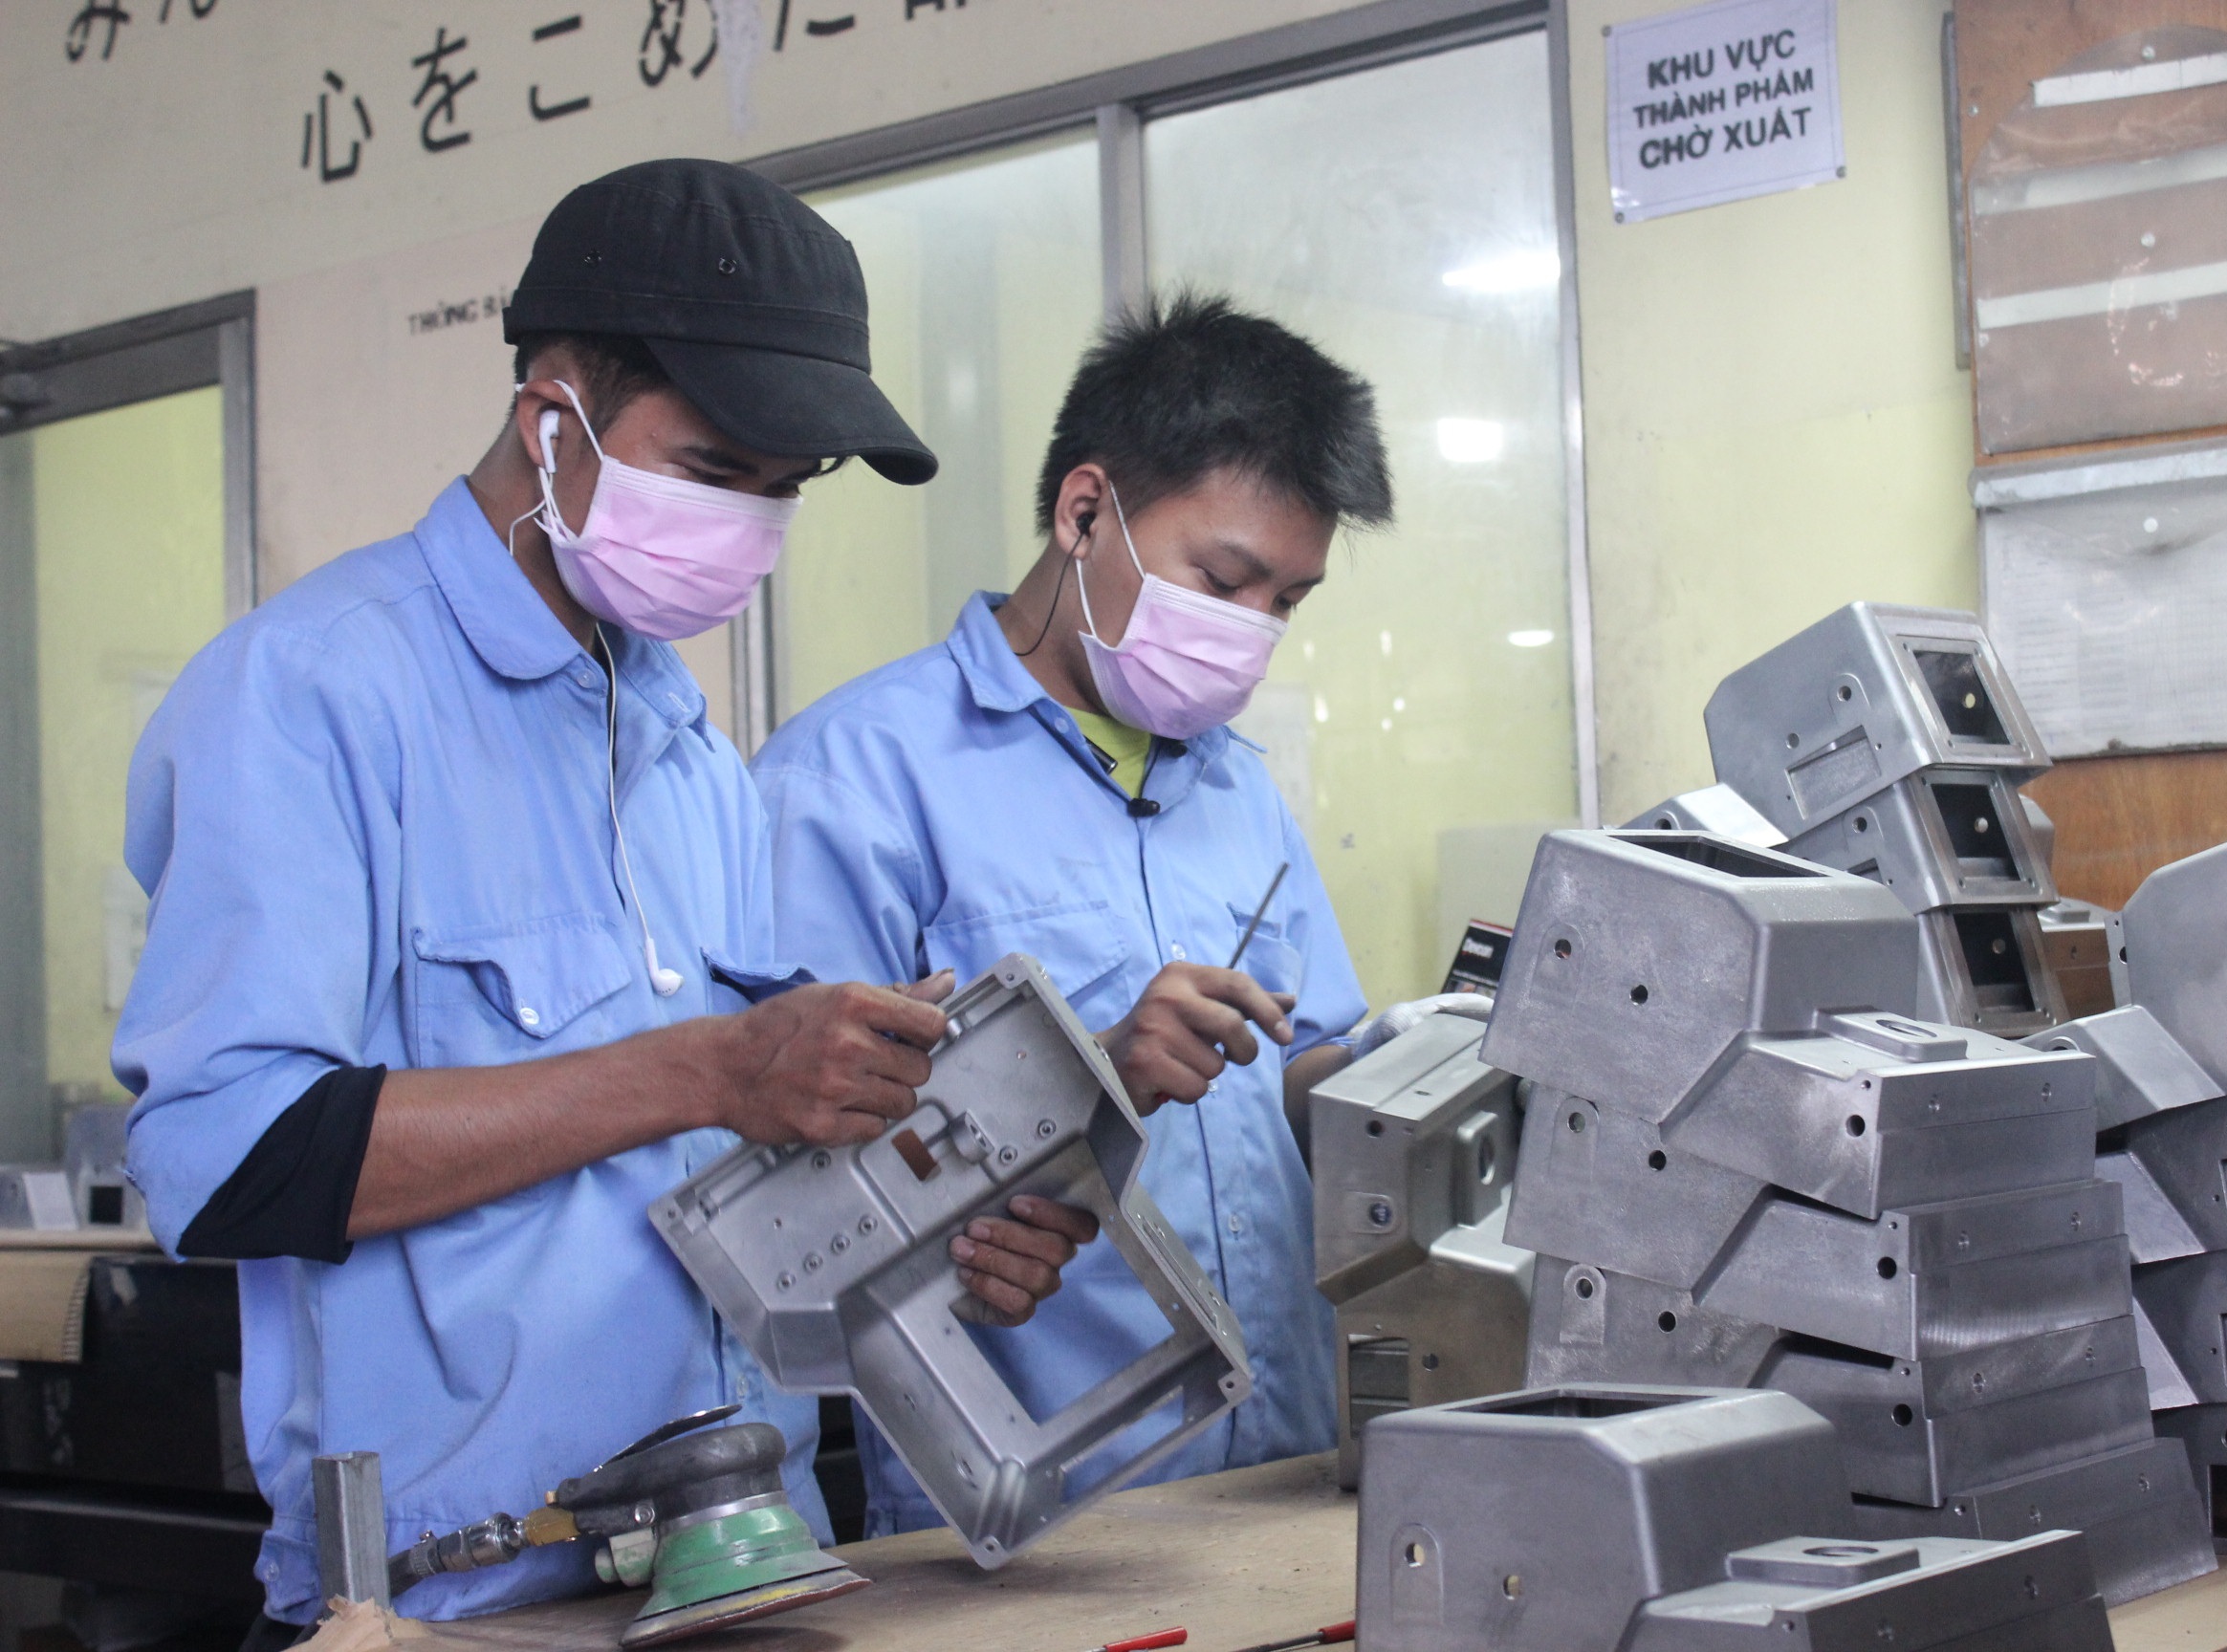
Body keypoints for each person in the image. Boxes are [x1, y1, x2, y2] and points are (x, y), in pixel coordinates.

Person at [113, 160, 1094, 1629]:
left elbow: (716, 1195)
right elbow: (228, 1161)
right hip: (457, 1602)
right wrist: (703, 1068)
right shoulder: (313, 694)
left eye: (784, 490)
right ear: (552, 421)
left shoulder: (690, 755)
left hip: (742, 1568)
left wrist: (941, 1230)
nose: (751, 527)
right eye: (713, 472)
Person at [753, 293, 1394, 1533]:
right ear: (1084, 510)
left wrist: (1445, 1068)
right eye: (1225, 580)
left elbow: (1302, 1069)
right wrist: (1084, 1077)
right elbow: (790, 1205)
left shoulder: (1238, 790)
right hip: (1042, 1516)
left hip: (1284, 1475)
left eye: (1288, 604)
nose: (1251, 635)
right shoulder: (856, 783)